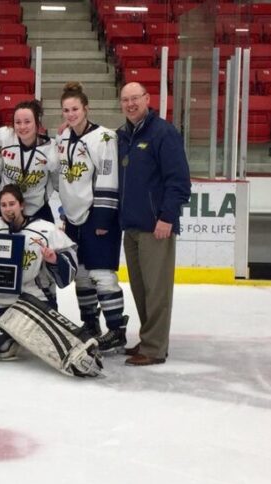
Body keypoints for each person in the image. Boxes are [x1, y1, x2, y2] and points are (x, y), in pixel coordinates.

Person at [115, 82, 191, 366]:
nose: (131, 104)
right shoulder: (123, 135)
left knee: (157, 290)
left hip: (155, 226)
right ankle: (150, 338)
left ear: (147, 99)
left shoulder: (163, 132)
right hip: (131, 226)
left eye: (136, 98)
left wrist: (167, 217)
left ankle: (155, 347)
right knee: (141, 289)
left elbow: (179, 181)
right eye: (126, 100)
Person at [0, 185, 78, 358]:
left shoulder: (45, 229)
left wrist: (54, 260)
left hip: (32, 299)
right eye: (3, 205)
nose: (8, 209)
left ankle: (18, 334)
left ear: (21, 205)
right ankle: (10, 339)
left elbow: (70, 266)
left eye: (12, 204)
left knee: (51, 340)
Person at [55, 82, 127, 347]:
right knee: (82, 273)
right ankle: (90, 323)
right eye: (66, 110)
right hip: (73, 218)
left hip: (98, 216)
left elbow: (109, 177)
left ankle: (117, 329)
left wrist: (103, 218)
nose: (71, 114)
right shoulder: (63, 137)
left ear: (86, 108)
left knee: (102, 274)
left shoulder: (104, 137)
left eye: (75, 108)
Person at [0, 100, 59, 222]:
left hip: (37, 210)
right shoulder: (3, 136)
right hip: (7, 209)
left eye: (27, 122)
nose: (22, 127)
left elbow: (56, 182)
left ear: (37, 123)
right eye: (18, 122)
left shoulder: (51, 149)